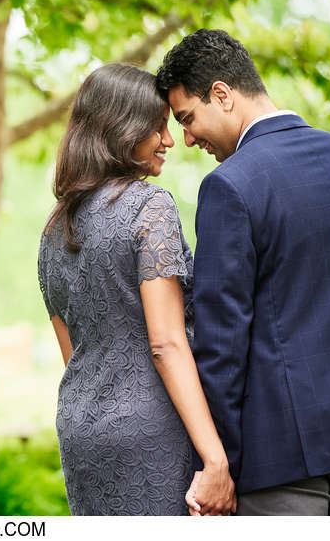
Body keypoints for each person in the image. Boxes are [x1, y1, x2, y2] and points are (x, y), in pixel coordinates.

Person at [154, 29, 330, 515]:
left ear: (222, 95)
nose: (187, 138)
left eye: (187, 118)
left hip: (285, 457)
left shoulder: (230, 187)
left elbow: (221, 345)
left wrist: (218, 460)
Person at [37, 62, 235, 516]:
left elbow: (74, 354)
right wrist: (214, 458)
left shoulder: (53, 229)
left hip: (80, 428)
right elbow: (166, 344)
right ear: (123, 130)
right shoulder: (149, 207)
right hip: (151, 431)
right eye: (157, 128)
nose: (168, 140)